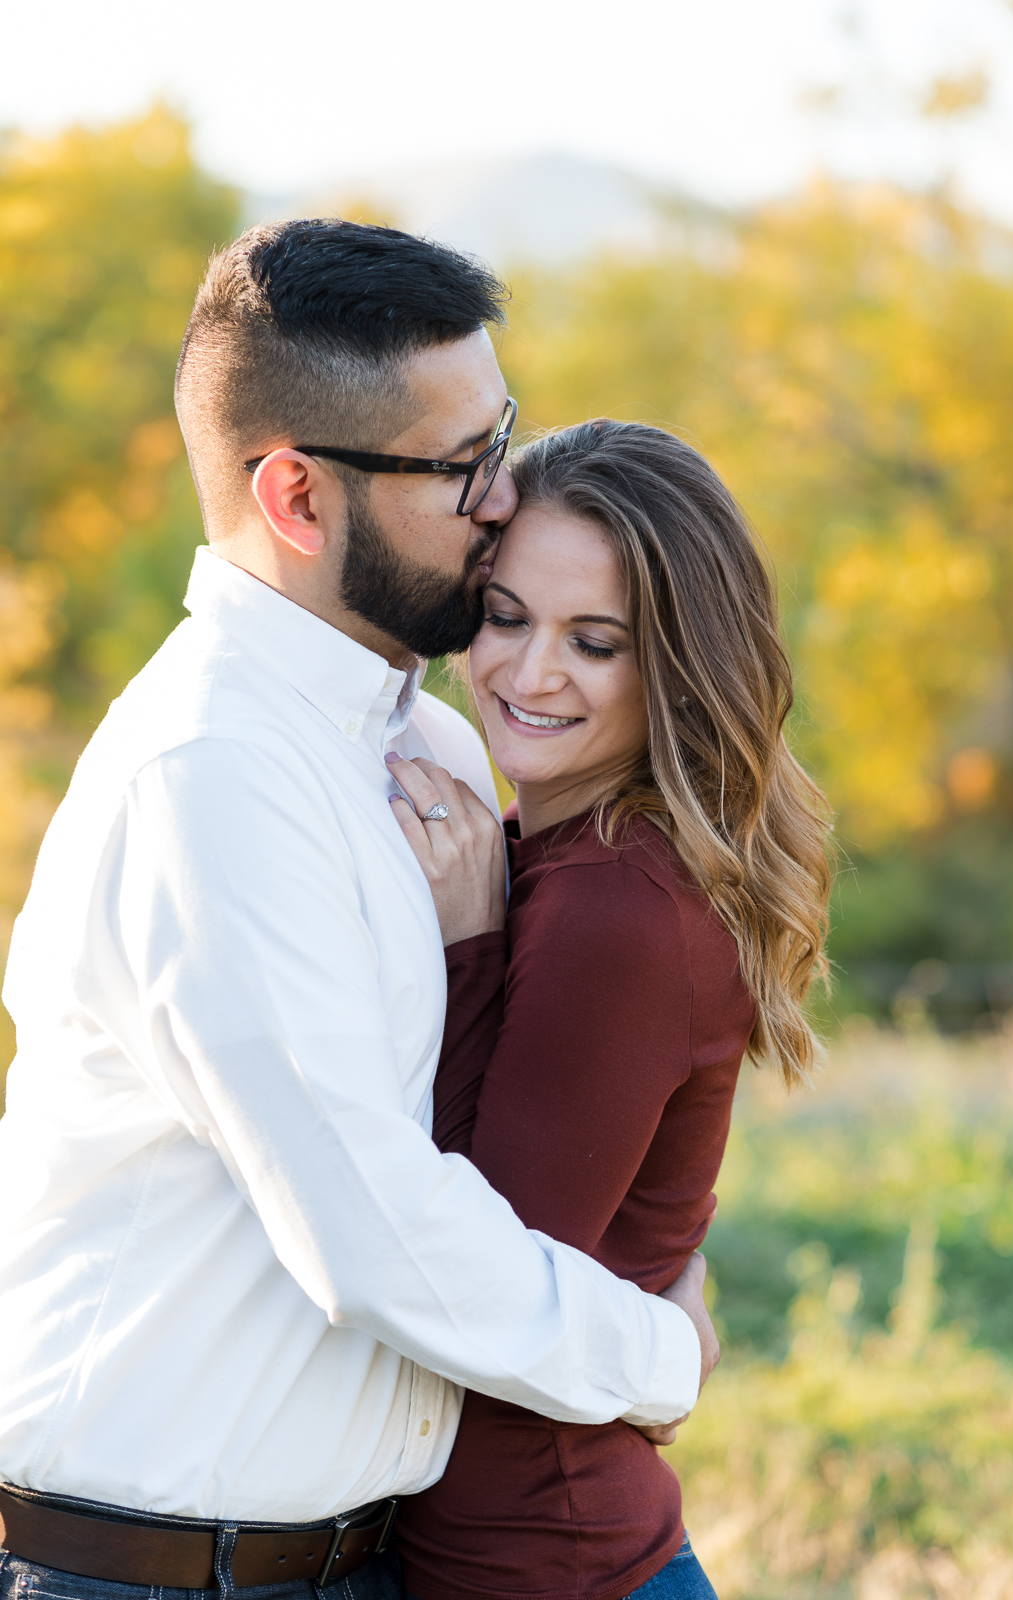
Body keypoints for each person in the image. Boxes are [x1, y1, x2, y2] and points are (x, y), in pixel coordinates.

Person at [0, 225, 716, 1600]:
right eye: (462, 469)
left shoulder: (434, 752)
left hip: (372, 1565)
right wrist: (660, 1351)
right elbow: (376, 1240)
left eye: (499, 438)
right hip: (155, 1579)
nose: (506, 498)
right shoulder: (209, 779)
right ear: (295, 497)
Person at [384, 420, 833, 1600]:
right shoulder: (564, 845)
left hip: (553, 1563)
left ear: (677, 664)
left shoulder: (617, 899)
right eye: (504, 616)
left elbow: (477, 1270)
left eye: (595, 642)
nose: (530, 676)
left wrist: (472, 946)